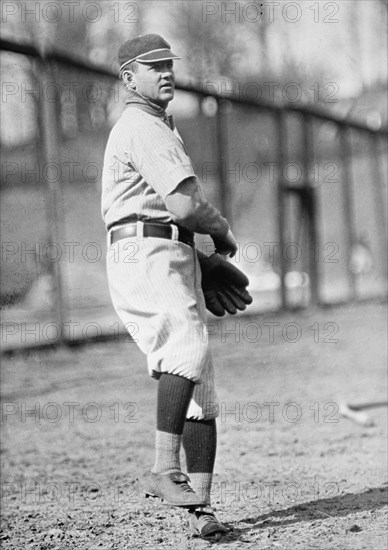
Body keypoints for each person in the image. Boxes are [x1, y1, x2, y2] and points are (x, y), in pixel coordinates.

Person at [101, 33, 237, 539]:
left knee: (199, 381)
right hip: (145, 251)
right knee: (186, 345)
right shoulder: (142, 125)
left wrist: (201, 258)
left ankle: (201, 508)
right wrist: (220, 231)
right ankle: (163, 467)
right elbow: (181, 208)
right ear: (127, 77)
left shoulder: (159, 126)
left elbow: (172, 215)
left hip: (164, 250)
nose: (165, 72)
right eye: (151, 66)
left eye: (168, 64)